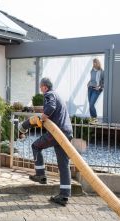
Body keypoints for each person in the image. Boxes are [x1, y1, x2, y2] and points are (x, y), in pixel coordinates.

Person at [29, 78, 73, 206]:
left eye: (40, 87)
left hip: (56, 132)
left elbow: (51, 107)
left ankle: (40, 175)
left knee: (35, 146)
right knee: (63, 164)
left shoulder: (49, 95)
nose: (40, 89)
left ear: (44, 87)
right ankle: (64, 196)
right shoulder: (57, 94)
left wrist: (42, 118)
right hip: (67, 132)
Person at [87, 58, 104, 123]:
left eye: (95, 62)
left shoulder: (102, 71)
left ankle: (95, 118)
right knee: (90, 104)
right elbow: (92, 79)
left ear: (98, 63)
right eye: (93, 62)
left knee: (91, 104)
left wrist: (99, 87)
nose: (94, 64)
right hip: (90, 88)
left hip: (96, 89)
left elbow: (103, 81)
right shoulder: (92, 70)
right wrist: (88, 83)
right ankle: (92, 118)